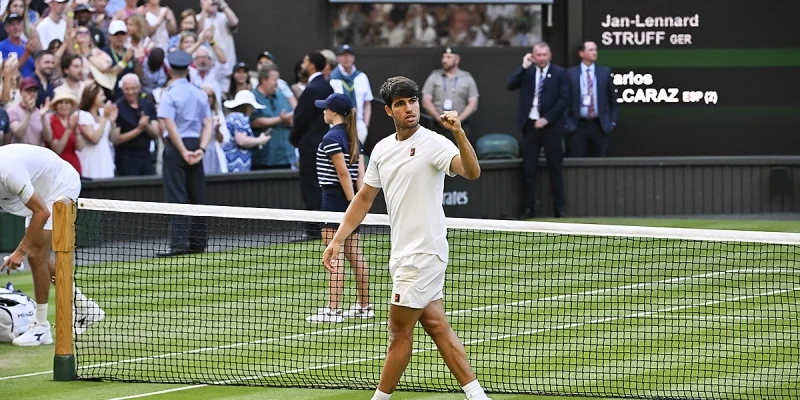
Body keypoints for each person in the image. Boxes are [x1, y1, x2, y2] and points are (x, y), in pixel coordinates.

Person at [321, 76, 488, 400]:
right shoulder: (383, 150)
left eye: (412, 101)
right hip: (401, 256)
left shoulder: (436, 142)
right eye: (400, 103)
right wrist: (338, 240)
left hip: (423, 254)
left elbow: (472, 171)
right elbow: (364, 198)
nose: (409, 107)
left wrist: (459, 132)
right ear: (389, 110)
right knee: (437, 326)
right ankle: (477, 395)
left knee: (398, 332)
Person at [0, 143, 105, 346]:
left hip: (59, 185)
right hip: (38, 189)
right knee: (38, 253)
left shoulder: (9, 172)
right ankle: (84, 307)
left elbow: (42, 212)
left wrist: (20, 251)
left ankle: (41, 328)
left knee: (35, 254)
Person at [307, 93, 371, 323]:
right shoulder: (354, 137)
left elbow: (344, 173)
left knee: (334, 255)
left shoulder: (331, 138)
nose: (323, 111)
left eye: (326, 108)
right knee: (354, 254)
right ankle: (364, 306)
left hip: (335, 202)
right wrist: (358, 204)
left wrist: (353, 204)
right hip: (349, 201)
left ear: (334, 112)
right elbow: (360, 177)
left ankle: (333, 310)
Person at [156, 50, 213, 257]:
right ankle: (198, 243)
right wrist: (201, 149)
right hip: (195, 145)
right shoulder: (199, 92)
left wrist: (182, 150)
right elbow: (208, 124)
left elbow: (169, 125)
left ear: (170, 70)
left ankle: (178, 244)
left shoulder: (169, 94)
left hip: (177, 147)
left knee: (176, 196)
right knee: (198, 195)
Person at [506, 42, 568, 220]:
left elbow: (564, 100)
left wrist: (547, 119)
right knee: (528, 169)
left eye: (544, 55)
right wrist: (523, 66)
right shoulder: (528, 72)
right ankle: (528, 208)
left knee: (555, 168)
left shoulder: (559, 73)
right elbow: (510, 85)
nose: (541, 58)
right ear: (533, 56)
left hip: (552, 128)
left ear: (550, 55)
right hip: (530, 126)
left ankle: (560, 209)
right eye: (538, 55)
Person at [290, 51, 333, 240]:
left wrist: (294, 138)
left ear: (312, 66)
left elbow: (300, 118)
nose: (303, 64)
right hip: (324, 144)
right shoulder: (327, 86)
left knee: (311, 187)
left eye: (306, 61)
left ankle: (315, 230)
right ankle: (323, 227)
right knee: (321, 185)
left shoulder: (312, 88)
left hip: (309, 146)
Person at [566, 40, 618, 157]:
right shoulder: (570, 74)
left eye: (595, 50)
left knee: (600, 161)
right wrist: (567, 123)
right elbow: (565, 99)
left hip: (599, 125)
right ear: (581, 53)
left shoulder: (604, 72)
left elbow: (612, 100)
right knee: (577, 160)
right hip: (577, 125)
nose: (594, 53)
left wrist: (612, 122)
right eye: (590, 50)